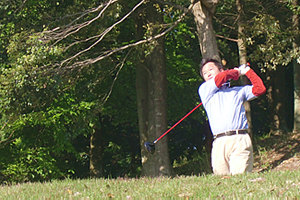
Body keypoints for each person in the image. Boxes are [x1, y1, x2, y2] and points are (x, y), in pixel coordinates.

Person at [198, 58, 266, 175]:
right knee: (222, 181)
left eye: (211, 69)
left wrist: (248, 71)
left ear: (221, 69)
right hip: (219, 142)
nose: (208, 73)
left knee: (240, 178)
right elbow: (221, 78)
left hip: (239, 138)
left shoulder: (238, 91)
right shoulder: (205, 90)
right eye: (205, 73)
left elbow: (260, 89)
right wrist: (237, 73)